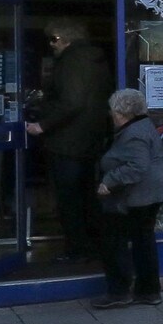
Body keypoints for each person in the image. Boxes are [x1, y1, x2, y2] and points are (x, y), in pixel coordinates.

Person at [23, 18, 113, 262]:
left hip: (67, 142)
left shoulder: (72, 61)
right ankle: (94, 247)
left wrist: (42, 125)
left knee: (69, 200)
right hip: (89, 140)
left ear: (67, 38)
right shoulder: (95, 60)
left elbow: (72, 102)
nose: (51, 44)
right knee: (86, 197)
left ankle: (77, 250)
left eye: (54, 39)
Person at [94, 89, 163, 308]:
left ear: (121, 113)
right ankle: (148, 291)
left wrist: (109, 181)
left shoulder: (134, 133)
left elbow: (138, 166)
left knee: (115, 240)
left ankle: (119, 292)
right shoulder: (142, 125)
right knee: (143, 240)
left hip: (139, 195)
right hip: (149, 192)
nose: (111, 114)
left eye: (113, 110)